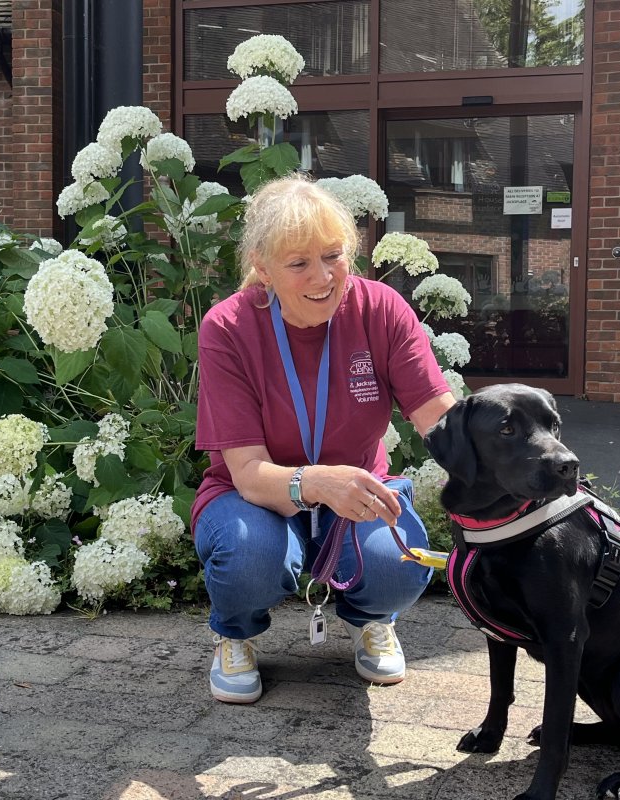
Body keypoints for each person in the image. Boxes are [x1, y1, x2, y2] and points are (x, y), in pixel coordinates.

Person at [192, 173, 456, 704]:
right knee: (248, 557)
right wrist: (317, 483)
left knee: (399, 562)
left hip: (357, 492)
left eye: (334, 255)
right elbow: (246, 472)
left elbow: (439, 418)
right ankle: (234, 633)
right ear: (262, 268)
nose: (324, 277)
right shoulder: (228, 327)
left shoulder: (380, 309)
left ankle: (371, 619)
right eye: (299, 263)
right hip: (255, 497)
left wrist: (513, 466)